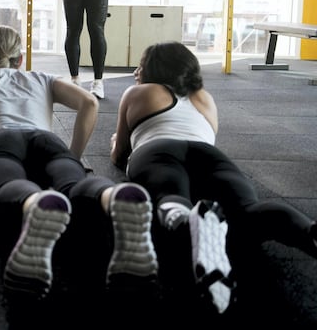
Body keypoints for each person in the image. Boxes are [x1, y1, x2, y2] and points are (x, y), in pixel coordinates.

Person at [0, 25, 158, 299]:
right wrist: (73, 156)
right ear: (20, 59)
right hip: (46, 141)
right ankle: (111, 196)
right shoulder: (42, 78)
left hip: (0, 141)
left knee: (8, 183)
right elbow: (89, 102)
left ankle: (34, 204)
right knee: (73, 183)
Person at [110, 41, 317, 315]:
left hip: (157, 151)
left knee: (171, 196)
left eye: (142, 65)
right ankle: (308, 231)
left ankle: (187, 222)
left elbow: (119, 154)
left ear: (155, 68)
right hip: (209, 155)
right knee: (247, 209)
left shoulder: (138, 92)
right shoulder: (204, 97)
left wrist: (115, 142)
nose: (137, 71)